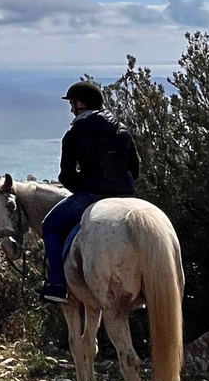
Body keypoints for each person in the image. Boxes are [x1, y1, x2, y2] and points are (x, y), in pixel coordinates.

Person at [40, 81, 140, 301]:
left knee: (50, 226)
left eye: (72, 103)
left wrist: (83, 190)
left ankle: (56, 284)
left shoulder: (75, 133)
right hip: (125, 195)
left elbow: (65, 176)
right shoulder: (122, 130)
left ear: (80, 104)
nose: (70, 108)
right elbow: (135, 169)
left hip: (91, 195)